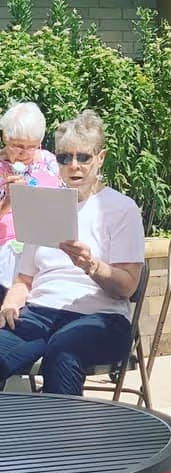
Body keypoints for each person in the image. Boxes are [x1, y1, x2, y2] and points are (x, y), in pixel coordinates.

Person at [0, 110, 145, 396]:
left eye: (84, 157)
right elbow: (24, 280)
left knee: (63, 353)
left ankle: (66, 438)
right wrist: (10, 304)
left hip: (100, 316)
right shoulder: (44, 203)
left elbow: (127, 286)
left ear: (100, 157)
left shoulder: (120, 208)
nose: (74, 166)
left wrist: (92, 265)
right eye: (65, 157)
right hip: (41, 313)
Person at [0, 101, 62, 298]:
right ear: (5, 138)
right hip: (7, 247)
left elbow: (66, 204)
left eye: (33, 146)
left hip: (46, 242)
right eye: (18, 146)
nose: (25, 153)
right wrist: (8, 201)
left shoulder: (49, 162)